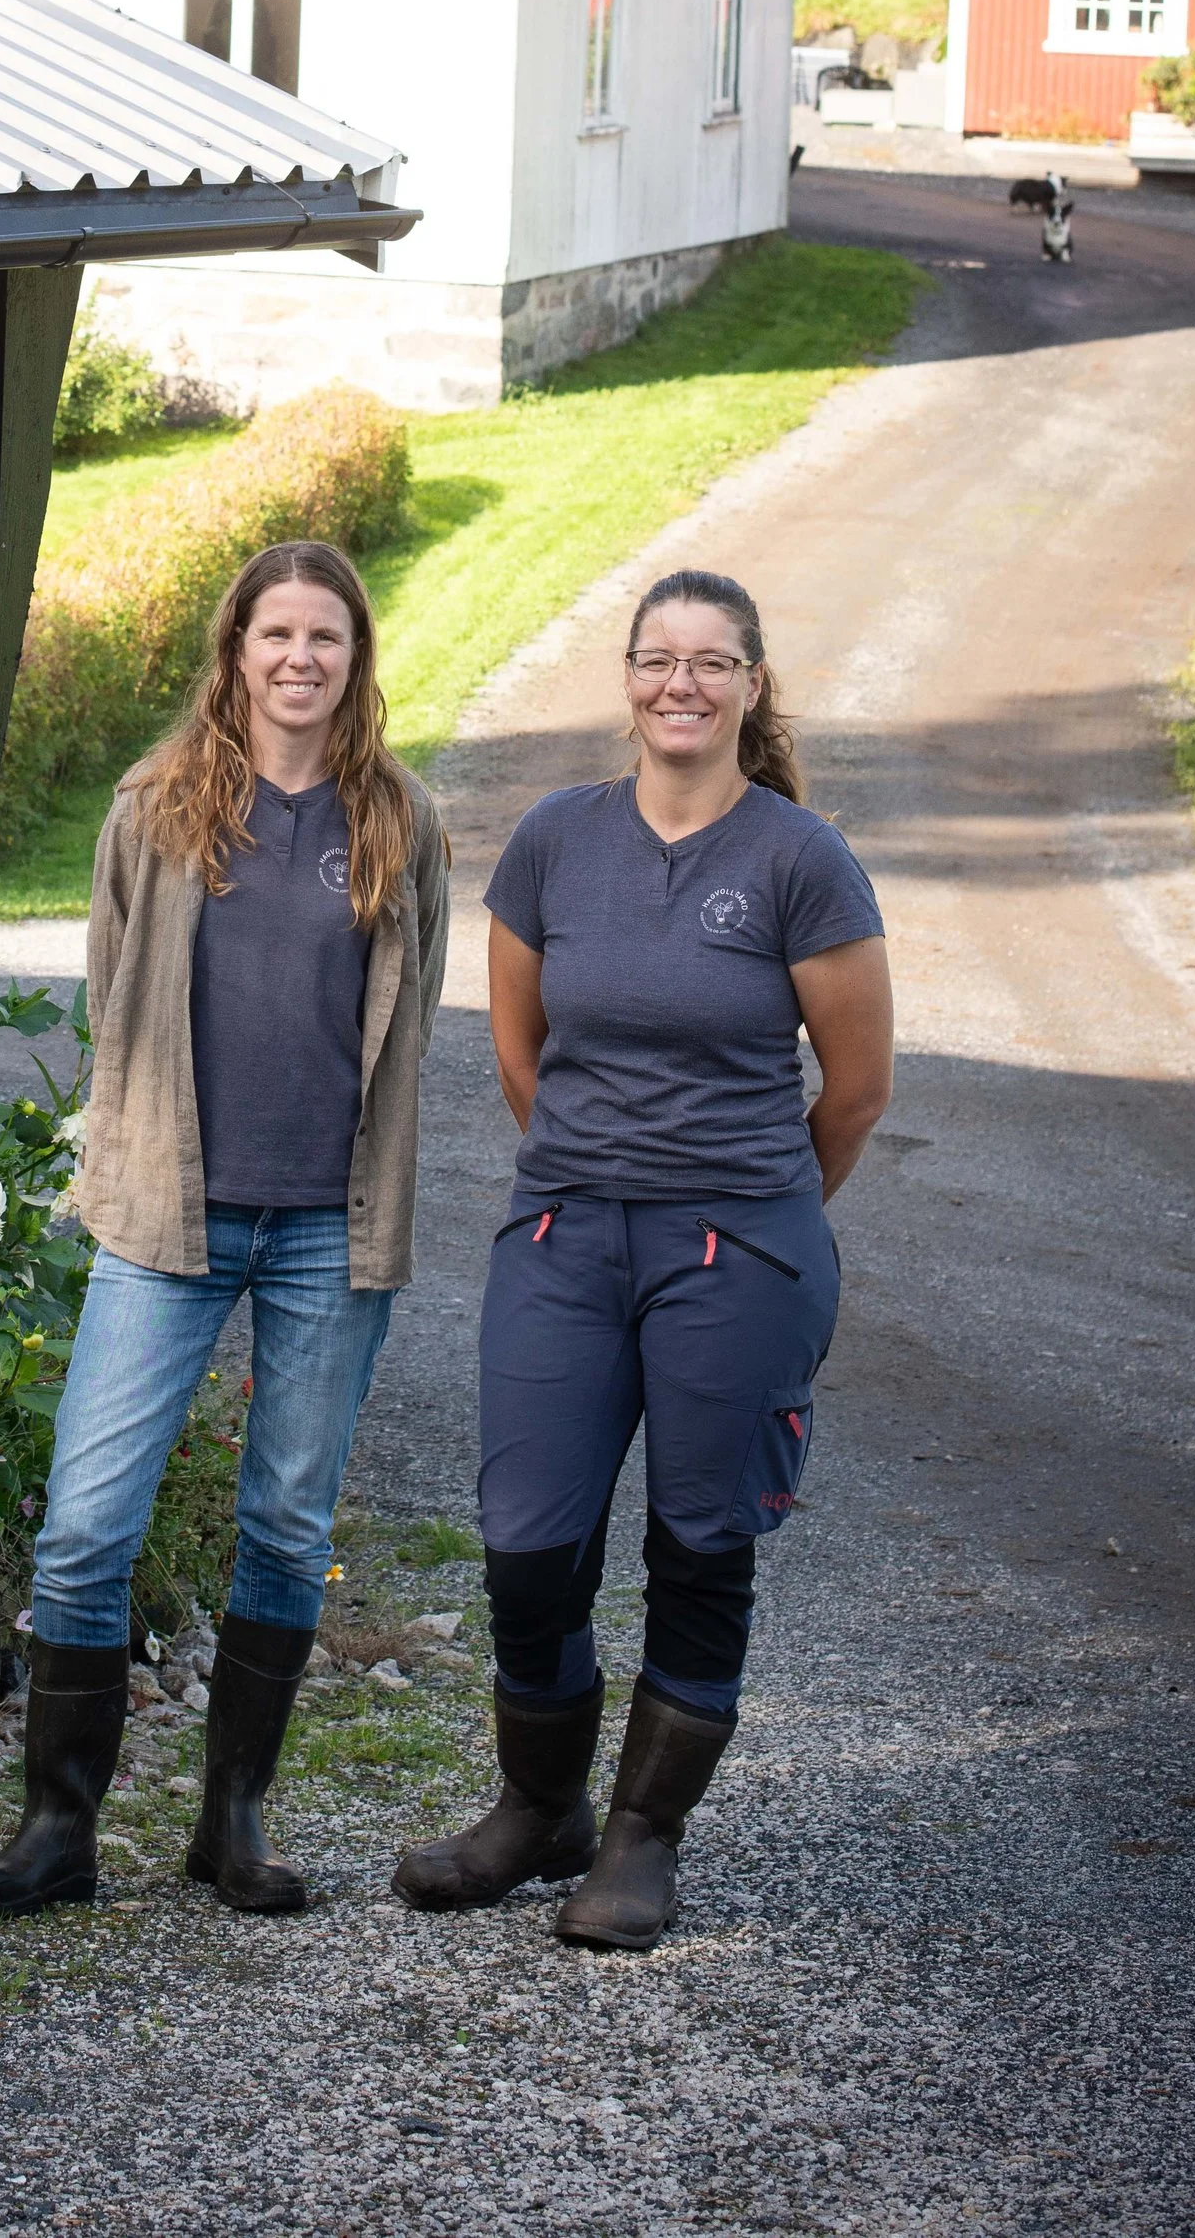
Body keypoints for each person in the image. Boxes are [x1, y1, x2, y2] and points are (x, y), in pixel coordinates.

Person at [0, 539, 450, 1920]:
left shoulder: (402, 821)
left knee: (287, 1525)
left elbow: (406, 1031)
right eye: (275, 634)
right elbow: (118, 1000)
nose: (300, 659)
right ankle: (60, 1828)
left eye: (326, 639)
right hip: (169, 1216)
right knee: (86, 1526)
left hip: (325, 1233)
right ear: (234, 651)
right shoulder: (154, 810)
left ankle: (231, 1823)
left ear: (355, 659)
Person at [392, 568, 891, 1950]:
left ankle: (640, 1838)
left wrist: (754, 1204)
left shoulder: (802, 860)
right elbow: (519, 1055)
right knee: (527, 1542)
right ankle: (538, 1807)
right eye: (658, 657)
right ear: (627, 676)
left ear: (751, 684)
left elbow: (852, 1091)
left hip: (741, 1246)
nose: (683, 682)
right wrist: (597, 1175)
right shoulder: (555, 840)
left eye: (712, 660)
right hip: (566, 1234)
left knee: (699, 1540)